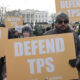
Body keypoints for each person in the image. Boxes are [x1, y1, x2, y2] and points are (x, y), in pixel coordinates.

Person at [44, 12, 80, 80]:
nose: (63, 24)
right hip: (54, 72)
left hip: (70, 71)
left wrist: (77, 60)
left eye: (65, 21)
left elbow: (78, 51)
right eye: (60, 22)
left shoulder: (74, 35)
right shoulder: (47, 35)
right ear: (56, 22)